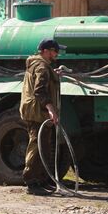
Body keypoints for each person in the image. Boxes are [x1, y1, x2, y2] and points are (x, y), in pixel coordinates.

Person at [20, 38, 66, 196]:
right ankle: (31, 181)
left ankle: (41, 180)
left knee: (44, 147)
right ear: (45, 51)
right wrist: (51, 109)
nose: (56, 54)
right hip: (37, 112)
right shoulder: (41, 66)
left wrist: (54, 74)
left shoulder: (42, 65)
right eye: (54, 51)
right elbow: (40, 90)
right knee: (37, 146)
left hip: (37, 111)